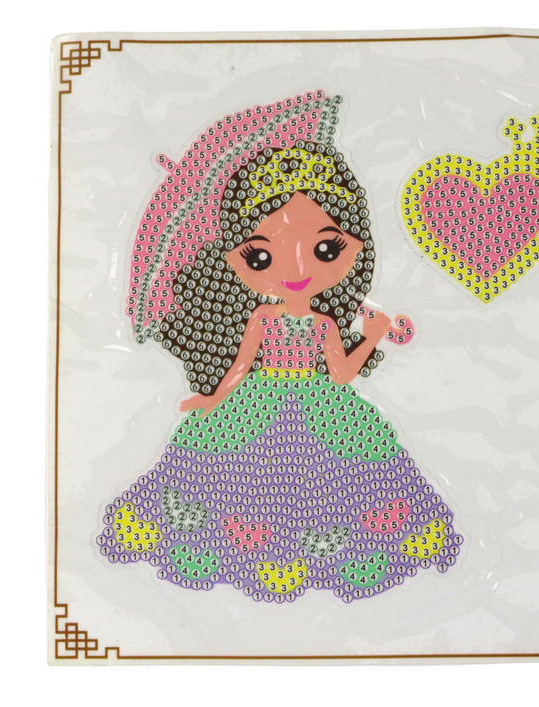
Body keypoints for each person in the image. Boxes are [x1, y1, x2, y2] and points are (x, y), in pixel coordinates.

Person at [97, 91, 462, 604]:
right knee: (244, 477)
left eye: (325, 249)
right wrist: (213, 397)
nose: (297, 270)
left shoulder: (323, 323)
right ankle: (251, 551)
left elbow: (340, 373)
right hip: (256, 403)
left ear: (353, 245)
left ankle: (328, 553)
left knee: (329, 477)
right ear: (234, 260)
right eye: (261, 256)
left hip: (323, 406)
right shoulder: (263, 318)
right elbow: (241, 364)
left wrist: (372, 335)